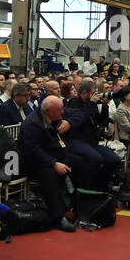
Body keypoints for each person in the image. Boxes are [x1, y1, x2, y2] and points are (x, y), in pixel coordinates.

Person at [18, 97, 77, 232]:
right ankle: (58, 216)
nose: (62, 113)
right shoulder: (32, 124)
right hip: (34, 162)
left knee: (80, 162)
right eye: (59, 110)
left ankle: (79, 206)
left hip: (53, 155)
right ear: (48, 110)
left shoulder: (53, 117)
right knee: (50, 175)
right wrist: (54, 163)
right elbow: (32, 150)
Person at [62, 80, 121, 189]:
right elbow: (79, 120)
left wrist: (104, 106)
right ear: (84, 93)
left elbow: (102, 122)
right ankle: (87, 188)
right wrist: (92, 103)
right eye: (93, 93)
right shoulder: (74, 102)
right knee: (96, 158)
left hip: (92, 142)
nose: (96, 95)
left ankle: (101, 185)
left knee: (114, 160)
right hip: (77, 141)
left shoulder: (91, 104)